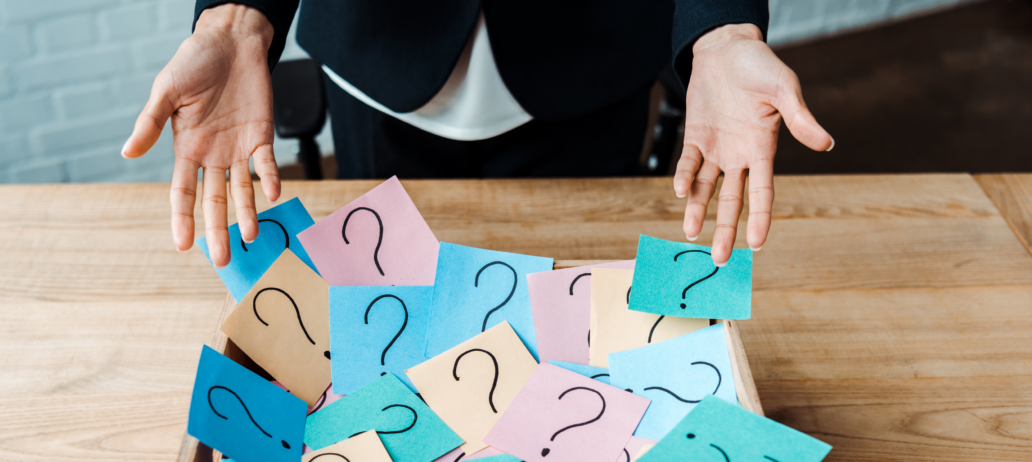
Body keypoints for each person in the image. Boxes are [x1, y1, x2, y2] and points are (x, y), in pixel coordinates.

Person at [122, 1, 832, 269]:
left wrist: (724, 25)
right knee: (390, 306)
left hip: (591, 59)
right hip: (382, 61)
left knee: (577, 319)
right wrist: (234, 16)